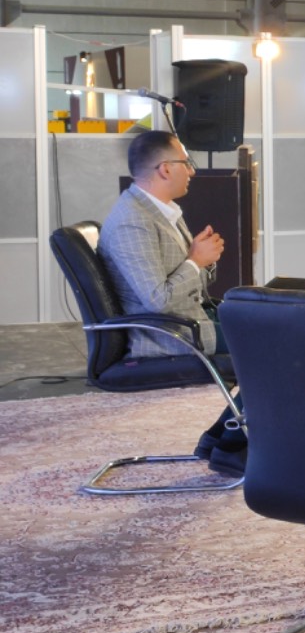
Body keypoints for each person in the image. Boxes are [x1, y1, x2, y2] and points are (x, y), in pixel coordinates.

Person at [98, 131, 238, 470]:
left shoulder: (160, 212)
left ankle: (223, 437)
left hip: (194, 318)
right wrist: (196, 261)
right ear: (164, 169)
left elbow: (186, 280)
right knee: (275, 345)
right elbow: (158, 300)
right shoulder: (133, 222)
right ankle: (233, 444)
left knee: (268, 324)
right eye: (185, 163)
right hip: (172, 334)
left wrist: (202, 260)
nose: (191, 171)